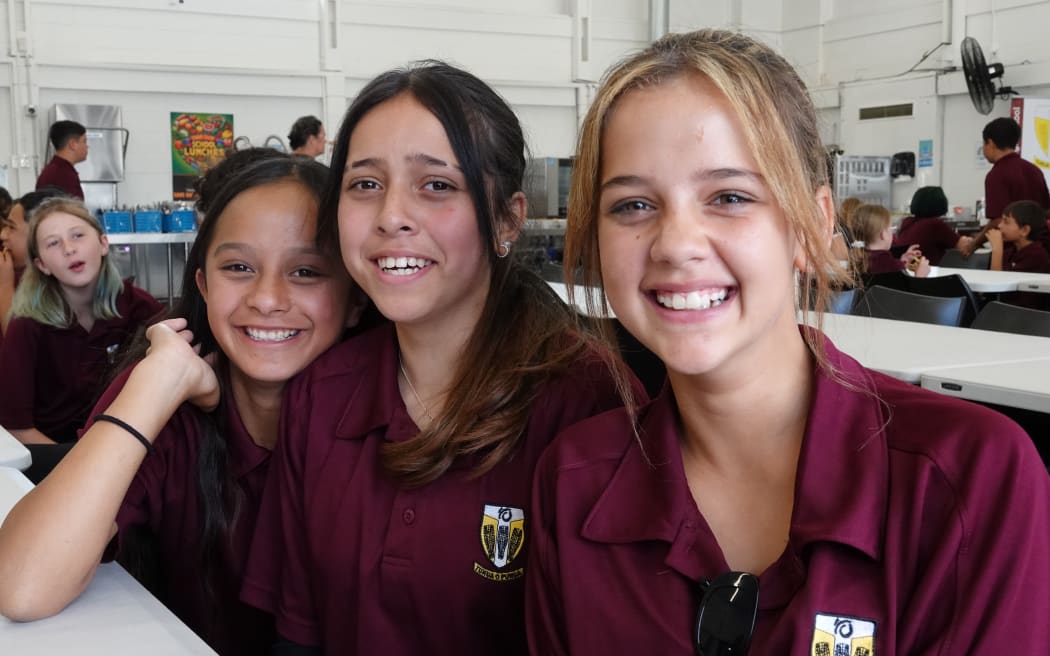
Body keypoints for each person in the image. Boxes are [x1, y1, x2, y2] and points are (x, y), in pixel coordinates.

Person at [525, 29, 1050, 655]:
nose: (675, 244)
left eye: (729, 197)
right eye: (633, 205)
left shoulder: (968, 480)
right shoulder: (573, 479)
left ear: (814, 222)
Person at [241, 61, 636, 655]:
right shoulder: (322, 395)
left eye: (437, 185)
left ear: (508, 218)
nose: (391, 215)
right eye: (365, 184)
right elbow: (298, 634)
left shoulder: (588, 402)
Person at [0, 149, 363, 656]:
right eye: (238, 267)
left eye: (306, 271)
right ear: (203, 284)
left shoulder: (385, 421)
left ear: (356, 297)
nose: (267, 297)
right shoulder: (163, 398)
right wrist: (155, 383)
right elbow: (22, 584)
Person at [0, 197, 163, 481]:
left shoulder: (136, 306)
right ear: (41, 265)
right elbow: (17, 429)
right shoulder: (26, 326)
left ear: (102, 243)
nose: (69, 248)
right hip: (54, 457)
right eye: (53, 243)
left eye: (77, 235)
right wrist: (85, 469)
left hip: (123, 445)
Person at [962, 117, 1050, 255]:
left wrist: (973, 244)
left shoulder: (996, 175)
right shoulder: (1034, 169)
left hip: (1014, 252)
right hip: (1043, 248)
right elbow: (1046, 211)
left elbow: (997, 221)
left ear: (990, 143)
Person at [0, 188, 70, 340]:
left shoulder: (60, 287)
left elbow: (17, 346)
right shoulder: (16, 272)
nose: (3, 235)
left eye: (11, 227)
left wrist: (4, 287)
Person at [986, 199, 1050, 309]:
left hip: (1023, 314)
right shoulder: (1010, 251)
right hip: (1003, 307)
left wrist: (997, 249)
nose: (1000, 226)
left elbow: (996, 285)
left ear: (1024, 230)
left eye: (1006, 222)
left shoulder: (1036, 255)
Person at [893, 186, 972, 265]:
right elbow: (963, 245)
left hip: (908, 272)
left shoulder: (907, 222)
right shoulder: (934, 224)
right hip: (927, 273)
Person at [855, 203, 930, 276]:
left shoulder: (857, 259)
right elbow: (906, 287)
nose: (893, 233)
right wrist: (920, 275)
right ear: (883, 234)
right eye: (891, 229)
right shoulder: (888, 263)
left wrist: (903, 262)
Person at [36, 120, 89, 199]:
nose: (87, 146)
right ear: (73, 144)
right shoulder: (62, 174)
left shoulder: (57, 170)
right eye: (84, 141)